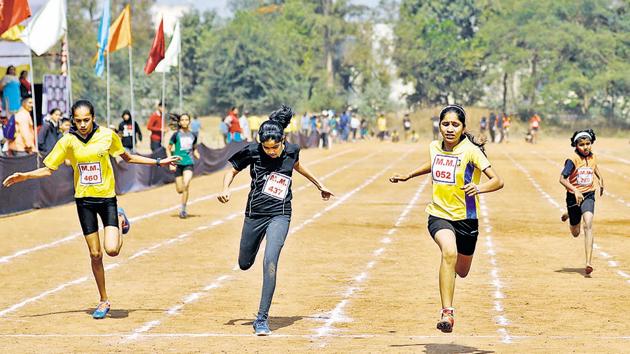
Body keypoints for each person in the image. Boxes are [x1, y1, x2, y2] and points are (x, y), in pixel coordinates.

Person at [2, 99, 180, 319]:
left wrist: (159, 162)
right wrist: (24, 176)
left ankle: (120, 218)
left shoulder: (107, 135)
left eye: (86, 120)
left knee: (112, 250)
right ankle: (104, 300)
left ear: (93, 118)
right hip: (84, 201)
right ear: (73, 121)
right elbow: (49, 169)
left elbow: (128, 157)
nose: (83, 124)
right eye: (78, 121)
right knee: (95, 255)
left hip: (107, 199)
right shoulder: (68, 141)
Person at [218, 105, 334, 336]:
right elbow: (231, 169)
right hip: (255, 214)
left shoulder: (291, 151)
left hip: (280, 213)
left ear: (283, 140)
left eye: (275, 147)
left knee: (270, 260)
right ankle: (256, 240)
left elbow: (298, 166)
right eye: (267, 148)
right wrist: (225, 188)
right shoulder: (252, 150)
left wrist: (319, 184)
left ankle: (261, 319)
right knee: (244, 263)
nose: (271, 152)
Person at [389, 104, 504, 333]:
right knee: (448, 252)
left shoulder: (472, 151)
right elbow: (433, 164)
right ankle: (447, 313)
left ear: (463, 127)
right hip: (439, 215)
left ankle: (450, 292)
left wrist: (479, 188)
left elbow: (497, 180)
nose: (450, 129)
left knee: (461, 270)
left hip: (467, 219)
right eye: (445, 124)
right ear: (439, 125)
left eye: (455, 124)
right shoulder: (434, 146)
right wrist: (408, 175)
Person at [559, 129, 603, 276]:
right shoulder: (572, 160)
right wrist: (575, 190)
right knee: (576, 232)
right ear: (576, 145)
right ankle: (570, 216)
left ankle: (588, 262)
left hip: (589, 194)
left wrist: (601, 179)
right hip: (573, 197)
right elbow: (562, 179)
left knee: (588, 224)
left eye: (588, 144)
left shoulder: (592, 157)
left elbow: (593, 166)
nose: (585, 147)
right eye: (582, 144)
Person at [166, 113, 200, 219]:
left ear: (189, 121)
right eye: (183, 120)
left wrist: (196, 153)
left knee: (186, 184)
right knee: (180, 189)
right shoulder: (176, 135)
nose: (185, 121)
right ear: (180, 122)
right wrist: (170, 161)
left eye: (186, 120)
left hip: (189, 163)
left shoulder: (193, 135)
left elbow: (194, 147)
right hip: (178, 163)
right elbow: (168, 148)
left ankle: (183, 210)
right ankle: (183, 203)